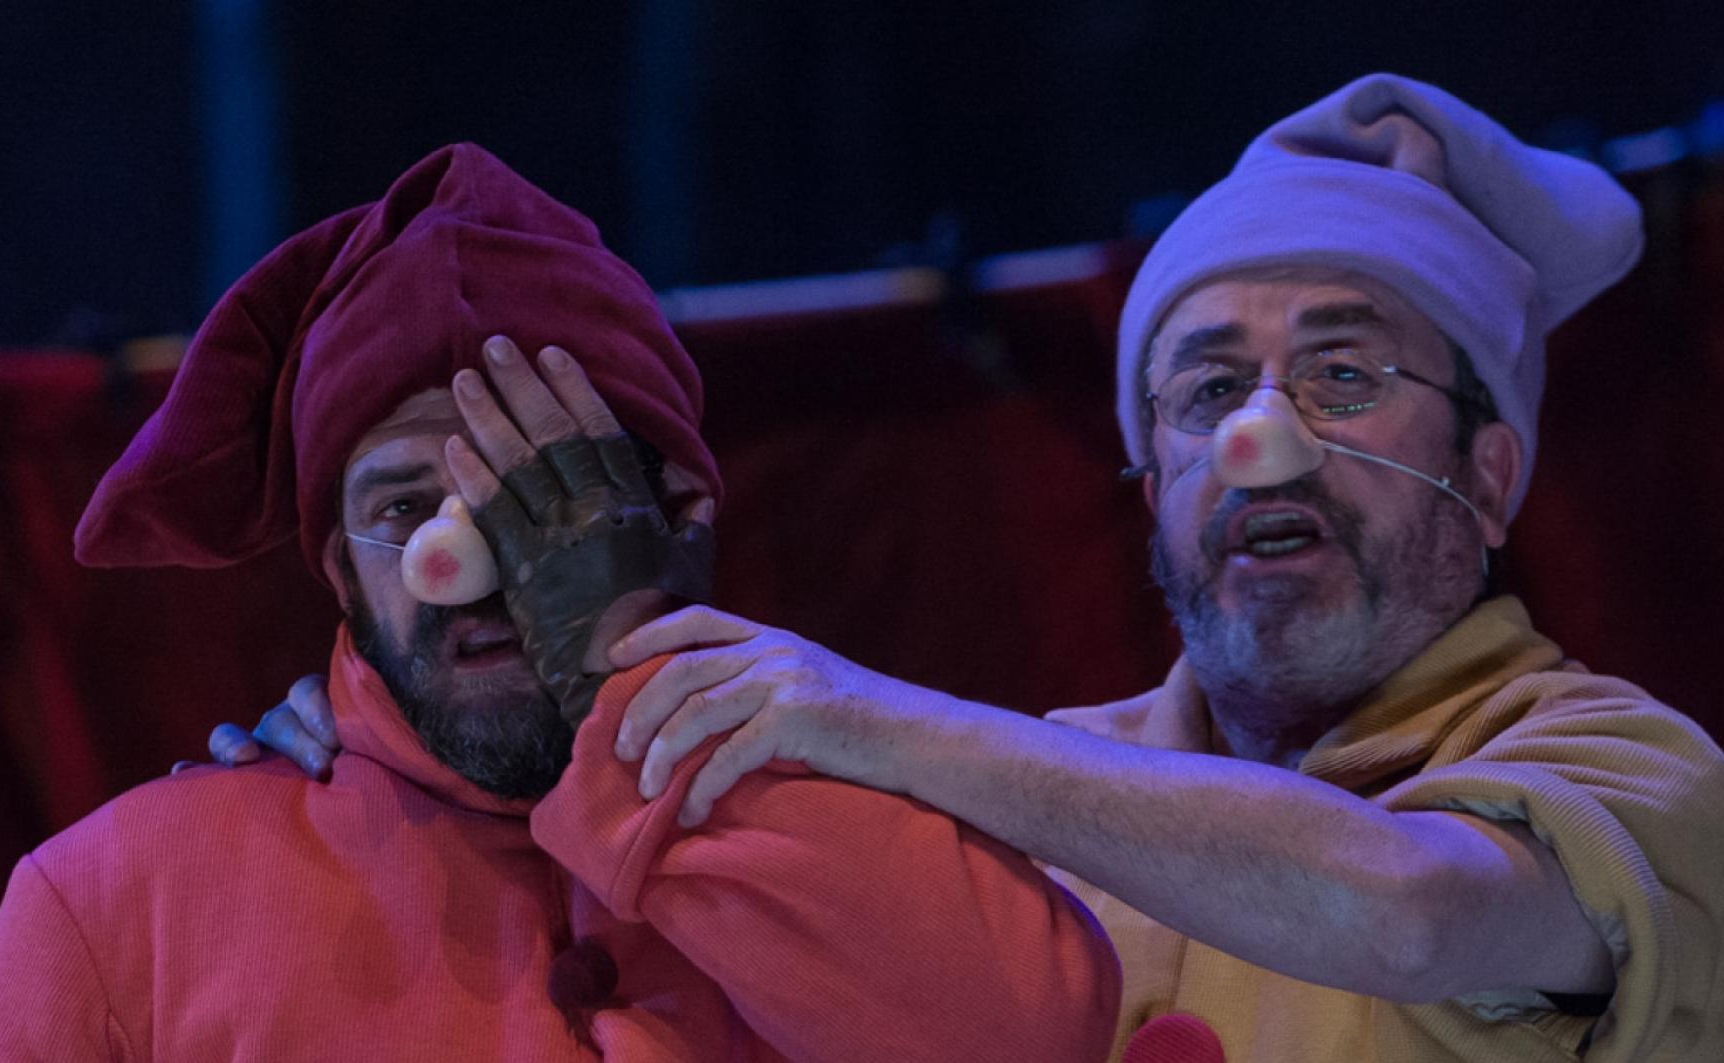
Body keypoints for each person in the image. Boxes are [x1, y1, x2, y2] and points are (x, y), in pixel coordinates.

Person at [237, 79, 1724, 1061]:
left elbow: (1410, 908)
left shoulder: (1629, 767)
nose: (1262, 444)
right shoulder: (1035, 787)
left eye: (1344, 375)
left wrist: (862, 713)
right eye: (1207, 389)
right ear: (1151, 479)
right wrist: (392, 760)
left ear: (1489, 472)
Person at [0, 143, 1119, 1062]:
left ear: (681, 517)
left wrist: (622, 686)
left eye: (543, 496)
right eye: (406, 505)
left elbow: (1033, 1040)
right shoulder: (120, 899)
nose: (472, 560)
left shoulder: (850, 819)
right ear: (338, 568)